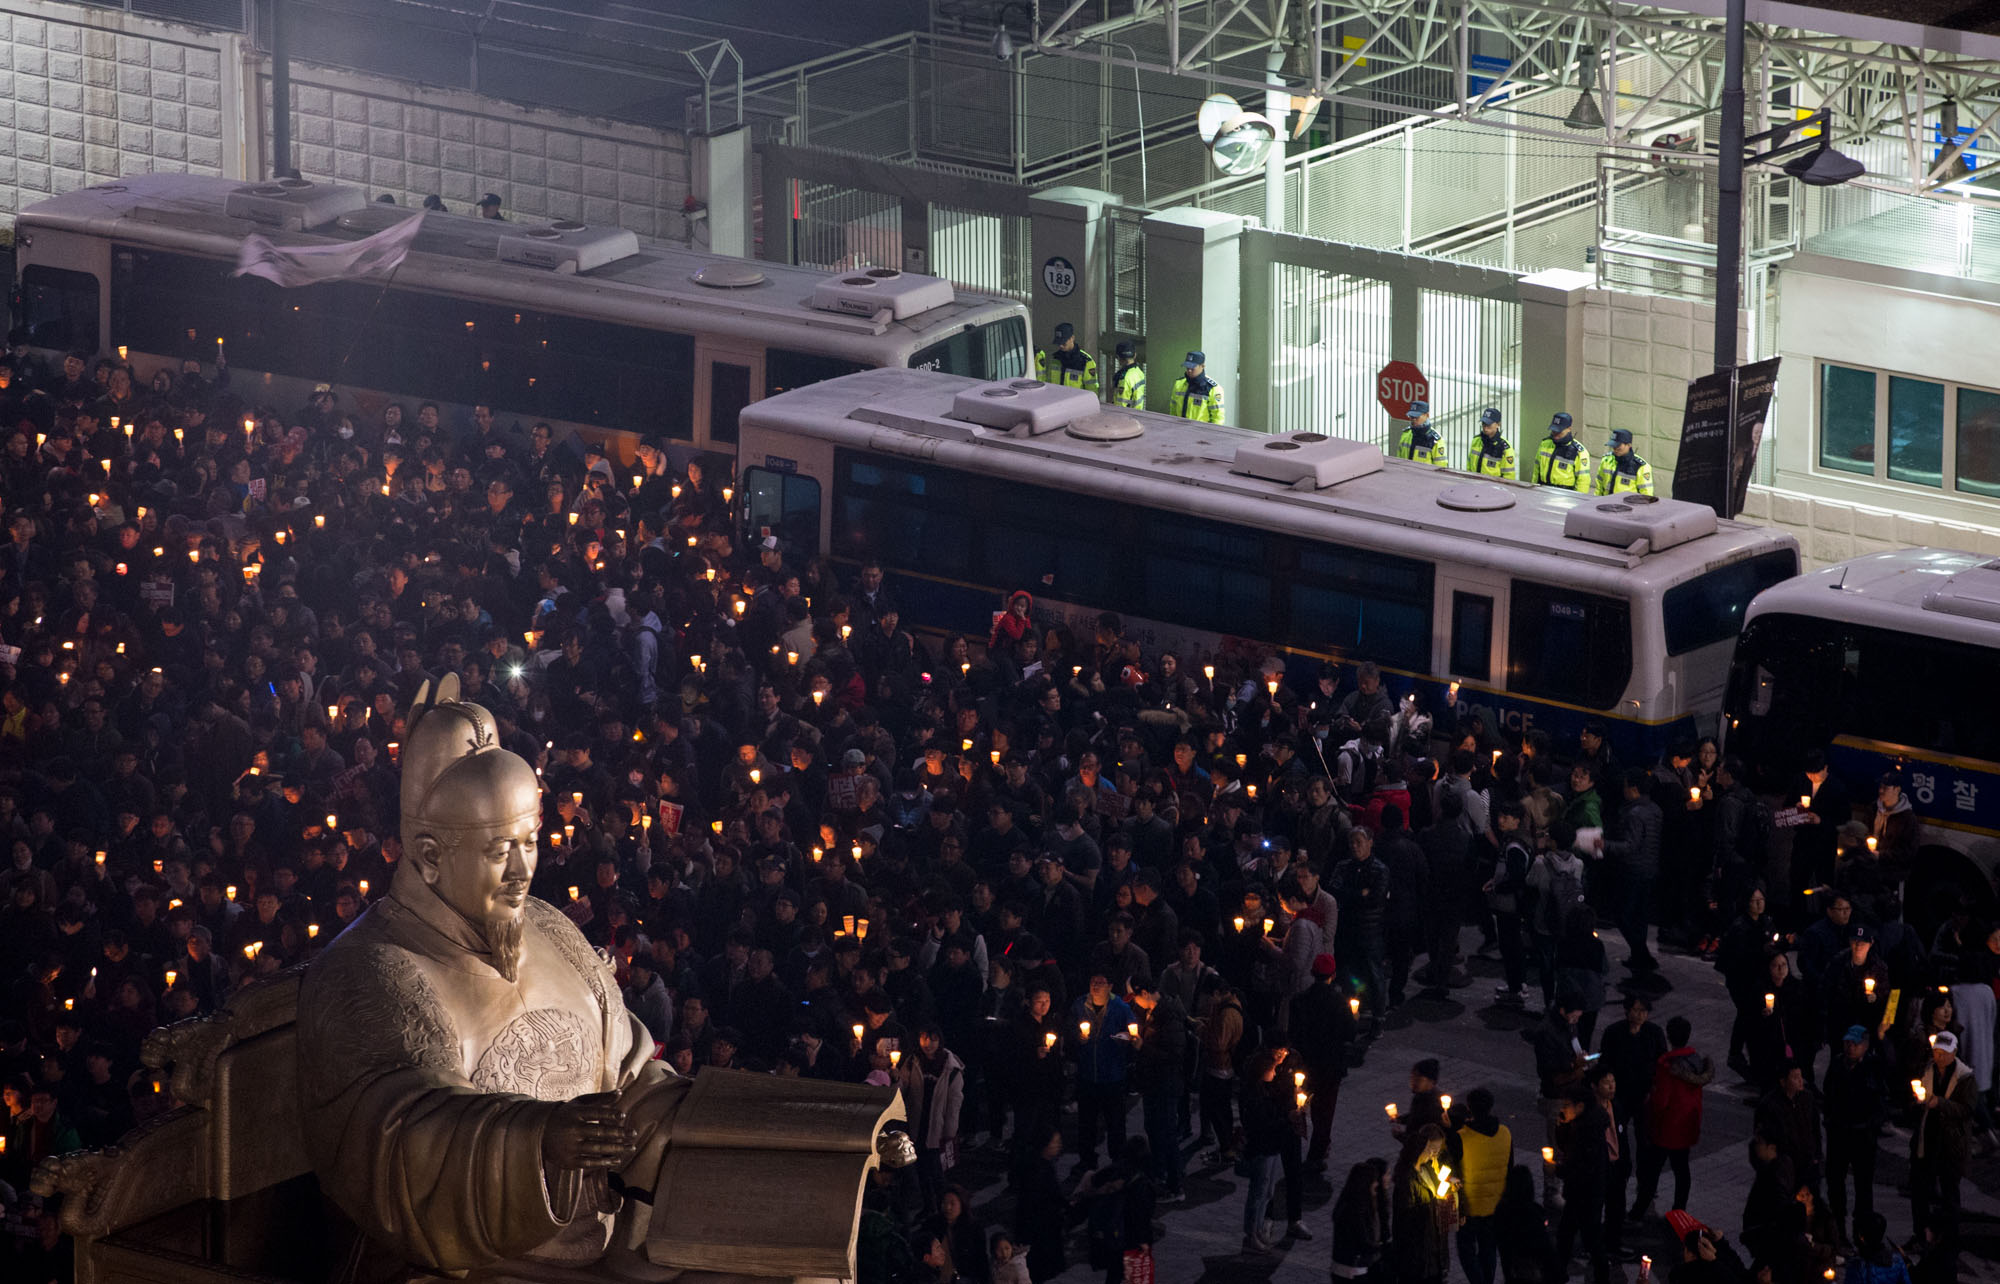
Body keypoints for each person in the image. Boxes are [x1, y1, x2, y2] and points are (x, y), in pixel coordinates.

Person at [1908, 1030, 1975, 1260]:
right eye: (1936, 1052)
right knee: (1921, 1192)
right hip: (1927, 1141)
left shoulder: (1965, 1078)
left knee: (1949, 1195)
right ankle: (1922, 1235)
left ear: (1954, 1053)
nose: (1939, 1057)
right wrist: (1919, 1101)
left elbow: (1967, 1110)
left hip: (1951, 1145)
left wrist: (1941, 1104)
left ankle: (1950, 1240)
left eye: (1944, 1053)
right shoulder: (1927, 1070)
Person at [1821, 1024, 1886, 1253]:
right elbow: (1828, 1092)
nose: (1850, 1048)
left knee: (1863, 1188)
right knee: (1835, 1184)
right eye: (1847, 1043)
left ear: (1865, 1046)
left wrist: (1871, 1125)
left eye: (1855, 1044)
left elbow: (1881, 1100)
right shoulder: (1838, 1064)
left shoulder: (1873, 1066)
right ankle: (1838, 1231)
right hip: (1839, 1133)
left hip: (1862, 1136)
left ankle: (1863, 1232)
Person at [1454, 1087, 1512, 1284]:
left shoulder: (1461, 1137)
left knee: (1466, 1248)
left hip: (1468, 1206)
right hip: (1495, 1204)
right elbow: (1509, 1168)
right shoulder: (1505, 1133)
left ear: (1470, 1108)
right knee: (1489, 1248)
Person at [1393, 1122, 1454, 1284]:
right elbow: (1406, 1217)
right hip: (1418, 1251)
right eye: (1427, 1149)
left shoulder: (1426, 1169)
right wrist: (1434, 1205)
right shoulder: (1407, 1180)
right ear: (1417, 1153)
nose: (1431, 1153)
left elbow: (1437, 1189)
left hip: (1433, 1242)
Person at [1330, 1157, 1392, 1281]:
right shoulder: (1356, 1209)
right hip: (1352, 1269)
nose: (1376, 1184)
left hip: (1351, 1268)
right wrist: (1386, 1247)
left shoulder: (1354, 1203)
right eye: (1374, 1181)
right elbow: (1363, 1242)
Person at [1533, 412, 1593, 492]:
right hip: (1542, 491)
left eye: (1559, 431)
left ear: (1569, 428)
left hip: (1565, 495)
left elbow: (1583, 481)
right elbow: (1536, 471)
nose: (1555, 434)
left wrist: (1580, 501)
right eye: (1554, 430)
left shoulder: (1579, 452)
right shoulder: (1544, 444)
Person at [1034, 322, 1098, 392]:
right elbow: (1049, 384)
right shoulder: (1055, 359)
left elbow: (1092, 390)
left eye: (1064, 343)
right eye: (1059, 343)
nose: (1061, 346)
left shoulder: (1085, 361)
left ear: (1072, 338)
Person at [1593, 428, 1654, 496]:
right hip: (1606, 504)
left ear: (1629, 445)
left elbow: (1646, 495)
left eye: (1618, 446)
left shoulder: (1640, 467)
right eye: (1613, 445)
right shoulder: (1606, 460)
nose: (1615, 449)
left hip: (1628, 506)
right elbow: (1599, 486)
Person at [1169, 351, 1224, 423]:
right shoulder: (1179, 384)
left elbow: (1217, 418)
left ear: (1202, 366)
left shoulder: (1213, 389)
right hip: (1178, 429)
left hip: (1200, 432)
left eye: (1192, 368)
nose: (1189, 370)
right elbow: (1173, 409)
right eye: (1187, 367)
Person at [1466, 407, 1516, 478]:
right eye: (1483, 423)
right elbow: (1469, 466)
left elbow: (1509, 477)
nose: (1485, 428)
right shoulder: (1476, 441)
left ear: (1498, 424)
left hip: (1493, 488)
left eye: (1489, 424)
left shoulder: (1504, 448)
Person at [1398, 400, 1447, 466]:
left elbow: (1441, 468)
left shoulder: (1435, 441)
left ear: (1427, 415)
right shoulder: (1406, 434)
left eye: (1417, 417)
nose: (1413, 419)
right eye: (1412, 416)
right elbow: (1398, 459)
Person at [1109, 341, 1145, 410]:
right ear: (1135, 355)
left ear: (1119, 358)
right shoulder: (1139, 372)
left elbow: (1121, 406)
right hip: (1138, 413)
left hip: (1126, 417)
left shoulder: (1124, 378)